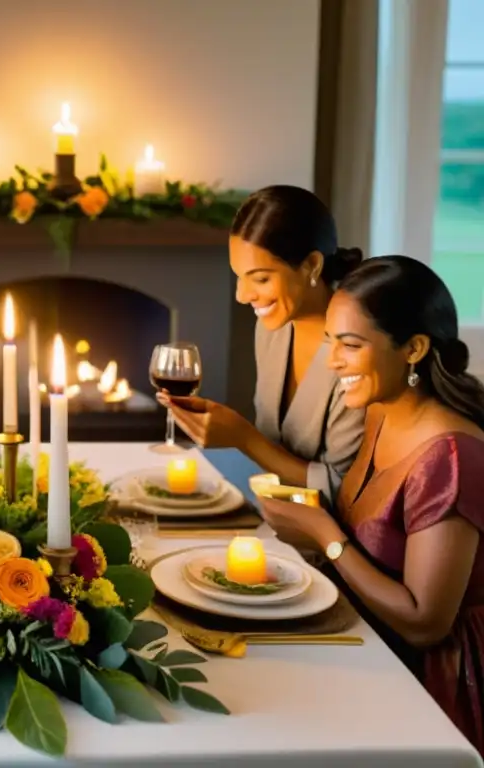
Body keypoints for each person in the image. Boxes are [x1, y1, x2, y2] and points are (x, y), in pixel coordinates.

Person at [260, 256, 484, 755]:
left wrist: (325, 537)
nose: (333, 362)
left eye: (351, 345)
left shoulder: (450, 454)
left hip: (434, 683)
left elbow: (426, 622)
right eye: (329, 343)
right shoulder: (380, 412)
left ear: (414, 349)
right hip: (369, 638)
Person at [160, 185, 366, 503]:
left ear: (312, 264)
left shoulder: (358, 346)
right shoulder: (273, 329)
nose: (242, 296)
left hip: (325, 537)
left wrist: (244, 438)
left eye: (260, 279)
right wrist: (226, 431)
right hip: (272, 512)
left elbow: (345, 491)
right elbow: (270, 450)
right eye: (239, 277)